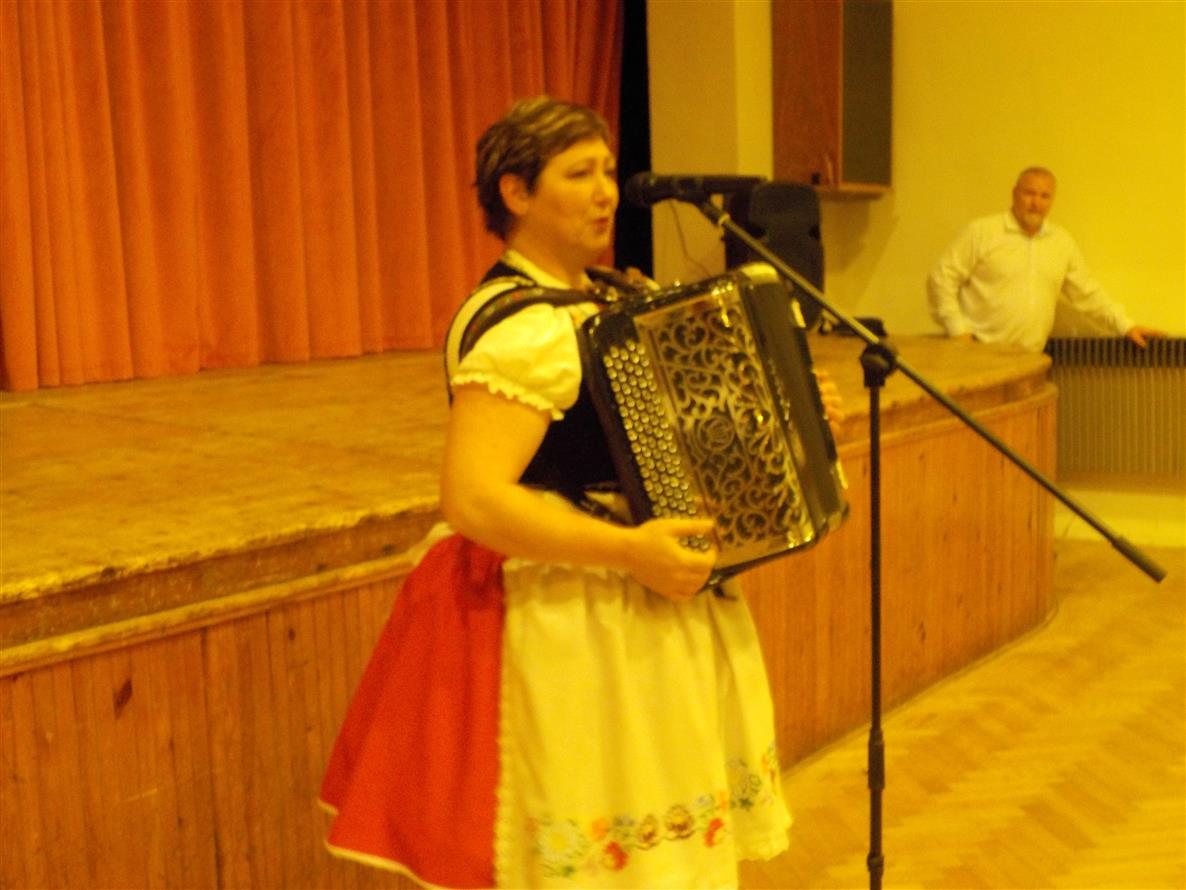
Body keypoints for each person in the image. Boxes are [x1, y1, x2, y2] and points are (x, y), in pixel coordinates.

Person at [318, 96, 844, 889]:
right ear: (516, 192)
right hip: (572, 608)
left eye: (607, 170)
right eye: (578, 174)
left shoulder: (610, 298)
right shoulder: (525, 329)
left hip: (640, 599)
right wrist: (629, 551)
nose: (605, 192)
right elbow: (473, 500)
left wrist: (789, 411)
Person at [927, 167, 1165, 352]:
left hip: (1031, 360)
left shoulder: (1061, 242)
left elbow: (1087, 293)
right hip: (979, 355)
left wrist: (1126, 326)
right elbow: (941, 279)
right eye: (1029, 193)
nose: (1036, 203)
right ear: (1014, 193)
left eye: (1044, 196)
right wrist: (958, 331)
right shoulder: (981, 232)